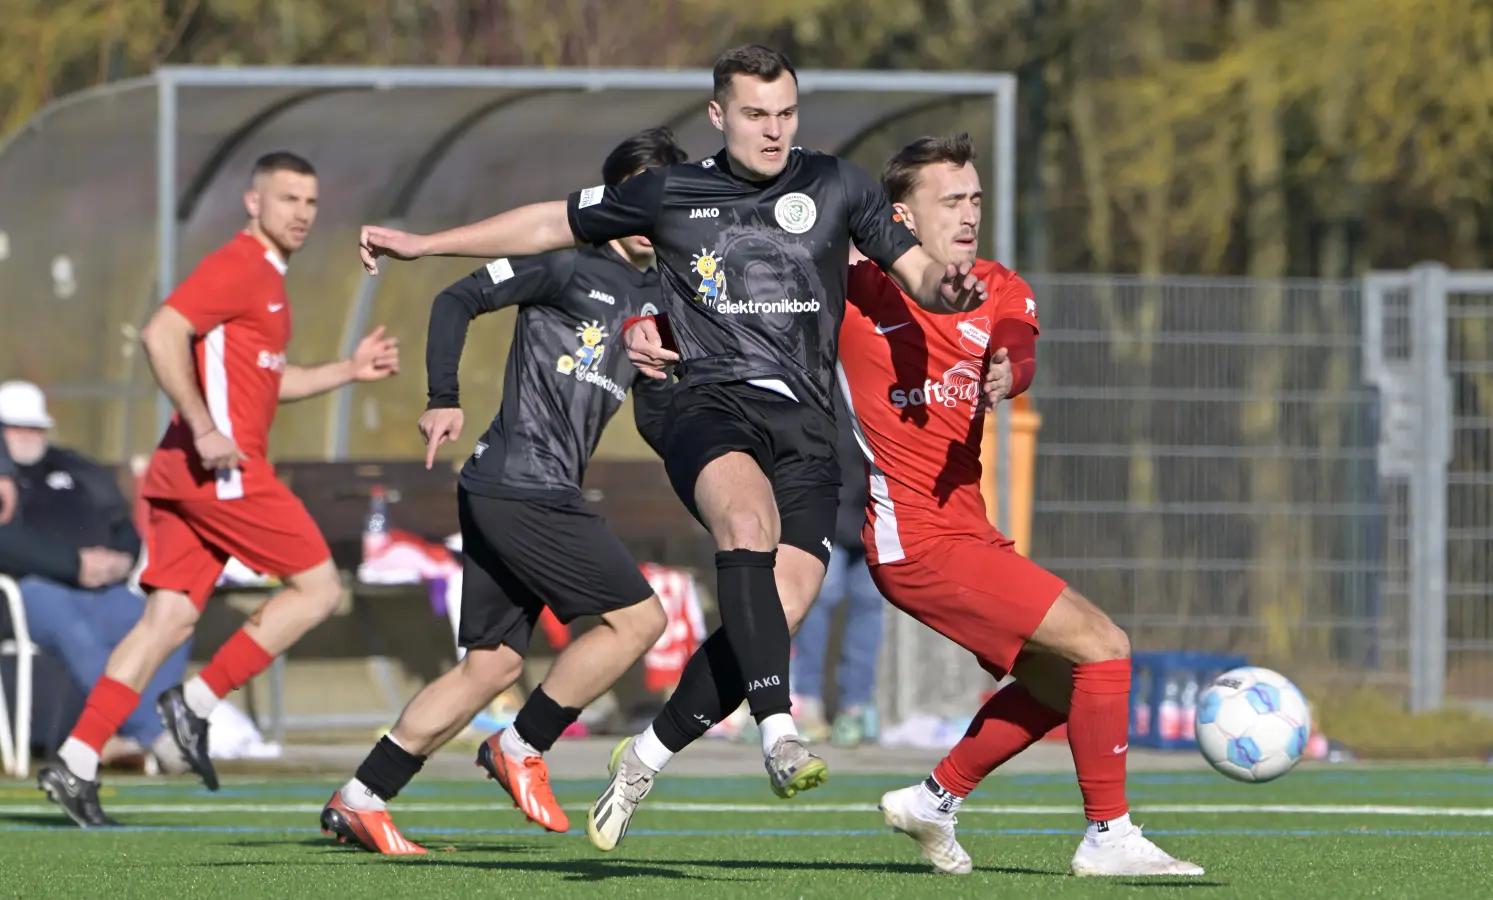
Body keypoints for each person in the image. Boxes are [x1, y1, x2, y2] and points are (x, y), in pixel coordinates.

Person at [356, 43, 988, 852]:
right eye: (755, 115)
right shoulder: (669, 193)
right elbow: (551, 221)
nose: (773, 129)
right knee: (745, 528)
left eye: (786, 113)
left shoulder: (838, 183)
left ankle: (646, 753)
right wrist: (424, 243)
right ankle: (777, 731)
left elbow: (917, 273)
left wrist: (949, 287)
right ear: (718, 116)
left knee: (781, 604)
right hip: (706, 404)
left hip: (807, 424)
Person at [841, 134, 1202, 877]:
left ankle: (934, 799)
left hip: (965, 532)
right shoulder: (857, 290)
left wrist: (1014, 368)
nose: (969, 213)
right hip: (914, 540)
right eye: (951, 200)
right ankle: (1109, 836)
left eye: (975, 198)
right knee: (1105, 643)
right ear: (901, 217)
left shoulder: (999, 283)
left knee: (1063, 680)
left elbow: (1014, 342)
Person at [319, 129, 683, 855]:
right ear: (612, 201)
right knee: (639, 622)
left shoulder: (661, 295)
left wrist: (666, 381)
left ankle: (360, 797)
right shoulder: (564, 264)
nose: (650, 215)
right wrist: (443, 395)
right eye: (636, 197)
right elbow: (458, 298)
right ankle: (522, 745)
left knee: (493, 664)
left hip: (512, 487)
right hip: (522, 482)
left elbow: (655, 404)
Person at [37, 151, 401, 828]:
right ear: (253, 202)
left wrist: (347, 371)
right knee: (319, 588)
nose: (301, 213)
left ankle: (77, 760)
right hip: (220, 473)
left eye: (310, 202)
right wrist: (204, 426)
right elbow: (160, 331)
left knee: (167, 620)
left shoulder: (267, 280)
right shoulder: (238, 265)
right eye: (287, 198)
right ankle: (196, 704)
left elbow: (268, 381)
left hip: (194, 471)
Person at [0, 380, 190, 773]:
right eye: (14, 427)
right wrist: (73, 565)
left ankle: (137, 733)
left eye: (34, 427)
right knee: (75, 632)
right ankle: (151, 733)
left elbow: (121, 523)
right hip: (26, 590)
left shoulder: (75, 468)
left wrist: (121, 559)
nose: (25, 436)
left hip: (101, 588)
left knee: (170, 619)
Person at [789, 382, 884, 747]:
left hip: (876, 514)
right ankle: (807, 702)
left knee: (869, 606)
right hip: (828, 510)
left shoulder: (878, 375)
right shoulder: (820, 376)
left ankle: (856, 708)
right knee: (818, 601)